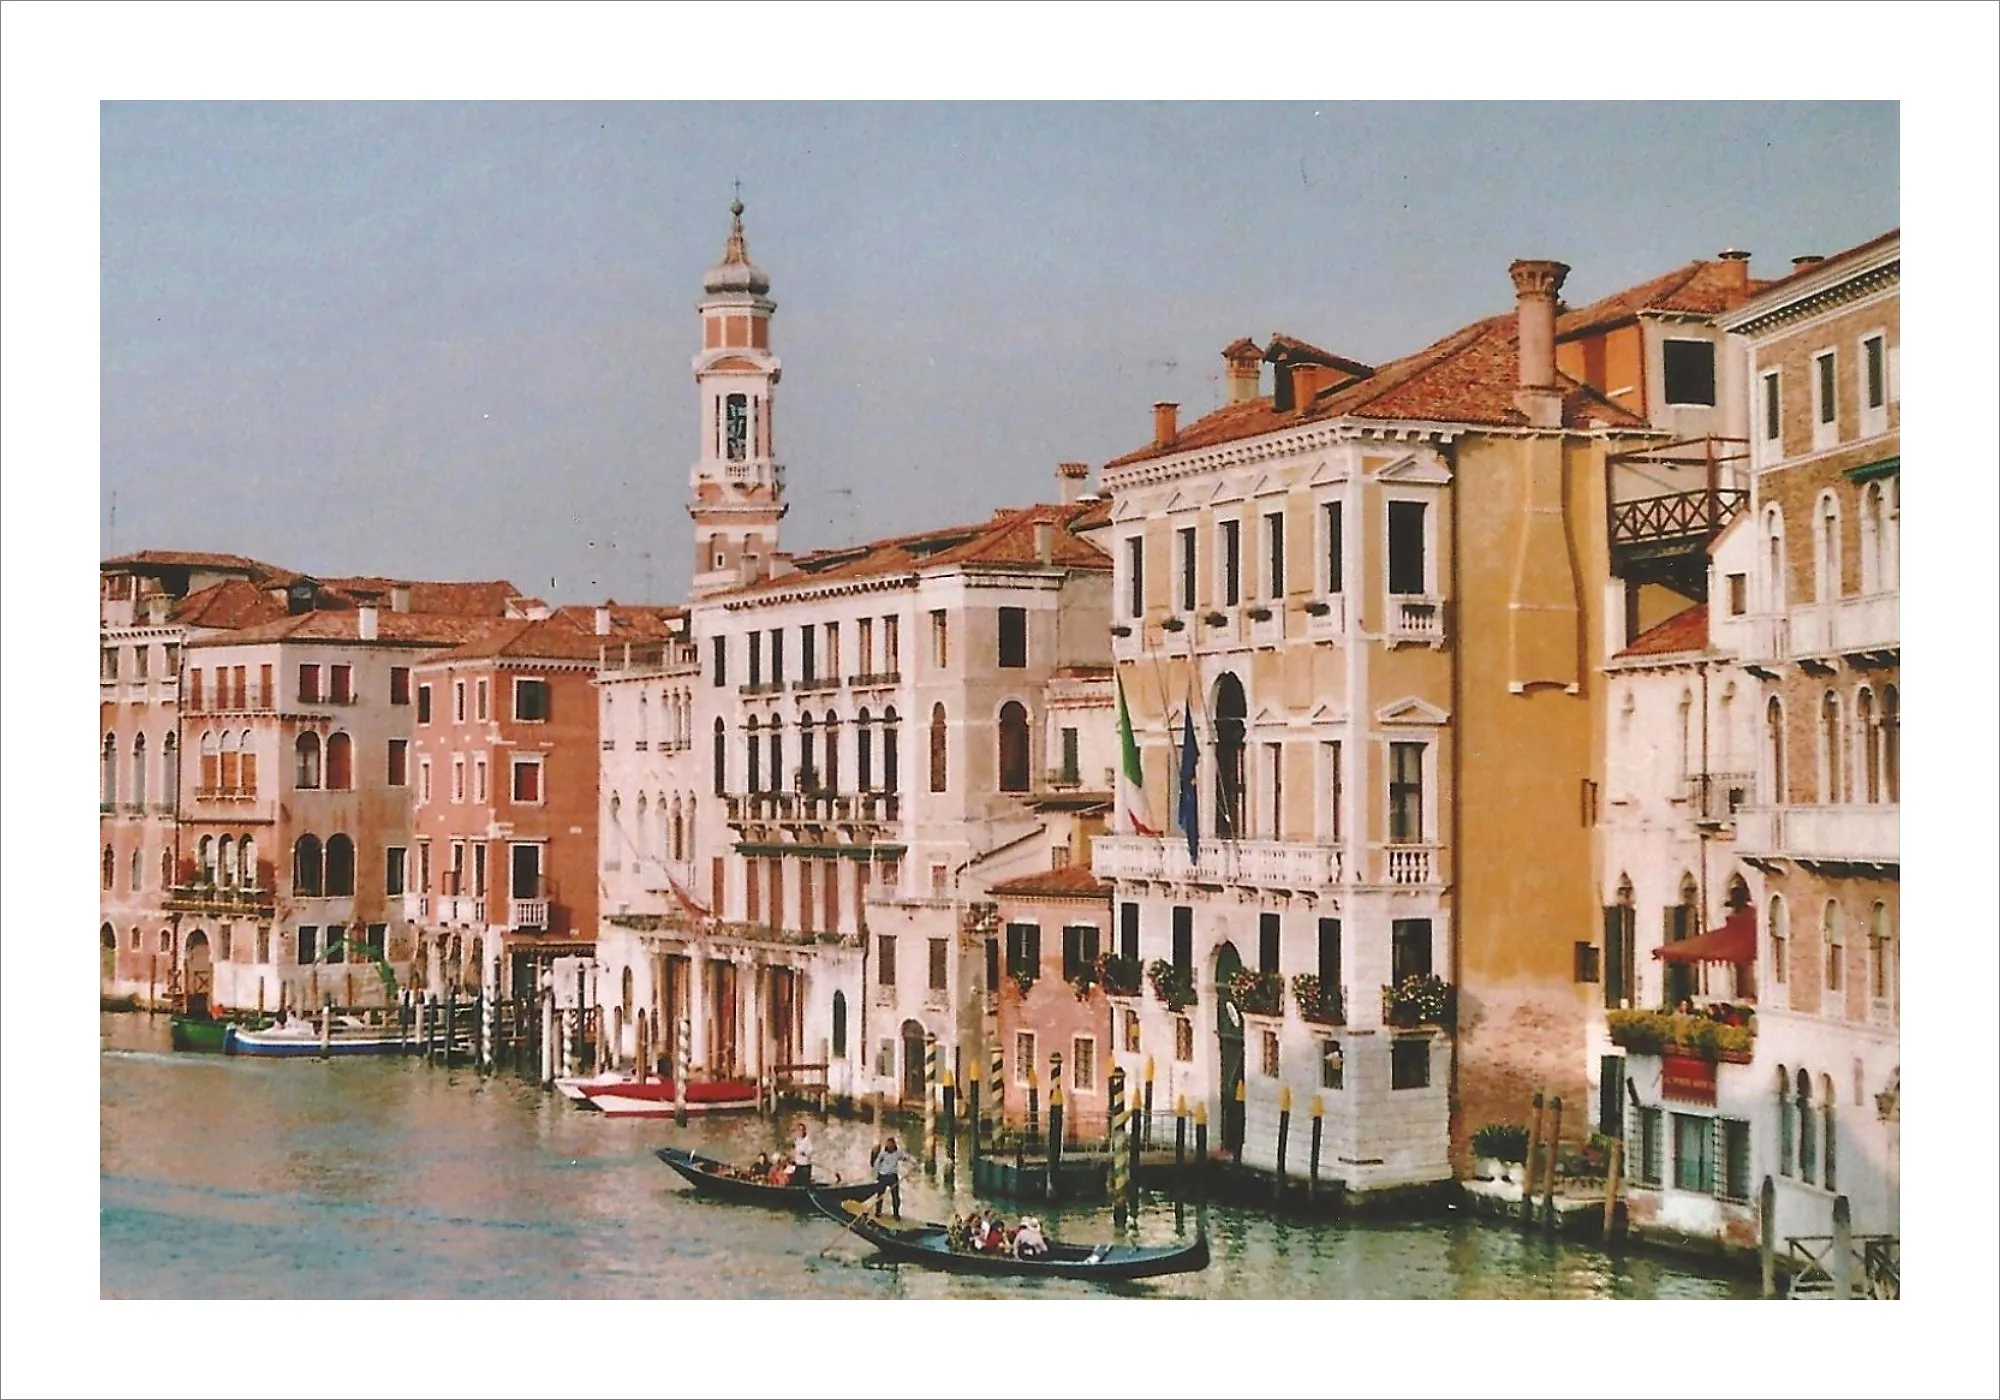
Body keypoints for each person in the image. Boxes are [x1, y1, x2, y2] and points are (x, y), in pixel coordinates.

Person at [871, 1135, 914, 1219]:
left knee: (895, 1197)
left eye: (891, 1145)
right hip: (883, 1176)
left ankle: (896, 1214)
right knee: (880, 1195)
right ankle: (878, 1212)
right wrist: (877, 1174)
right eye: (888, 1145)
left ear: (894, 1145)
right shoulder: (883, 1154)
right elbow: (876, 1164)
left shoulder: (898, 1153)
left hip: (893, 1177)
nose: (890, 1146)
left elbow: (907, 1157)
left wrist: (913, 1163)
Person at [789, 1120, 814, 1188]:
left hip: (805, 1166)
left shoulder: (807, 1140)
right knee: (794, 1182)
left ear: (804, 1131)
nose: (800, 1132)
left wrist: (805, 1153)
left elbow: (810, 1151)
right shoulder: (797, 1140)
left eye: (801, 1130)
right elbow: (795, 1151)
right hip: (798, 1165)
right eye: (798, 1130)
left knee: (804, 1184)